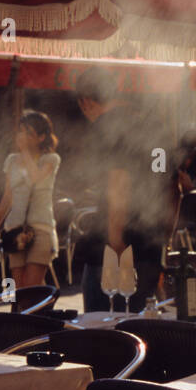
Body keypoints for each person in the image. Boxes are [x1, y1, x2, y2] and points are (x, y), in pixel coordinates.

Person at [72, 69, 172, 313]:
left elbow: (119, 182)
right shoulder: (153, 123)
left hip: (116, 247)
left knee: (105, 330)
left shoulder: (109, 126)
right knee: (140, 327)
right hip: (150, 243)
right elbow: (169, 185)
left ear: (86, 103)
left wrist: (116, 239)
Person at [0, 110, 60, 290]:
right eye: (21, 131)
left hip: (41, 227)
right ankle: (40, 314)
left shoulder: (50, 159)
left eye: (29, 132)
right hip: (15, 229)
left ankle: (41, 313)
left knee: (32, 286)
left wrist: (25, 153)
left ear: (42, 137)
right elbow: (7, 196)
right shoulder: (12, 160)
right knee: (19, 289)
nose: (23, 136)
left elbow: (36, 177)